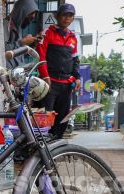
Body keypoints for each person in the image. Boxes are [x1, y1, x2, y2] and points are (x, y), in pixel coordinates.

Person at [37, 3, 81, 139]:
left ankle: (56, 146)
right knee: (47, 116)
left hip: (66, 85)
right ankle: (44, 148)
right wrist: (45, 77)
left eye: (70, 16)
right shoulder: (47, 33)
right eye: (64, 15)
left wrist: (77, 77)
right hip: (50, 83)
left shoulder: (73, 38)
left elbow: (75, 60)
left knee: (63, 117)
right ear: (57, 16)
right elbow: (41, 57)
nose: (67, 18)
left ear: (73, 19)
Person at [5, 0, 39, 69]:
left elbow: (17, 55)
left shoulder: (18, 27)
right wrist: (21, 42)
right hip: (7, 73)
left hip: (17, 72)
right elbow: (2, 50)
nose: (30, 20)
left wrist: (30, 46)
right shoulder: (6, 26)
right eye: (30, 15)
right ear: (21, 12)